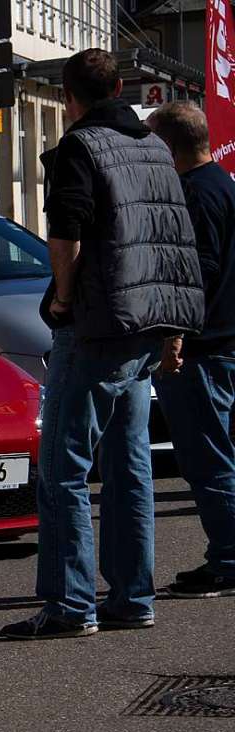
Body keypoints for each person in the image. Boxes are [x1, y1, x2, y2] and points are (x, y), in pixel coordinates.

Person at [1, 49, 205, 640]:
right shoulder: (154, 150)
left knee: (64, 467)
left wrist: (62, 298)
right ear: (120, 87)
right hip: (147, 322)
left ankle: (70, 605)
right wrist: (171, 329)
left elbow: (64, 230)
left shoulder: (80, 147)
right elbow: (172, 241)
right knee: (129, 463)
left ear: (69, 97)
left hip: (98, 323)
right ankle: (133, 595)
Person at [147, 102, 235, 599]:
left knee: (207, 458)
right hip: (224, 341)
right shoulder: (224, 184)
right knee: (218, 453)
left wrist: (173, 334)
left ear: (168, 145)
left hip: (203, 348)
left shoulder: (194, 195)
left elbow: (196, 272)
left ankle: (228, 559)